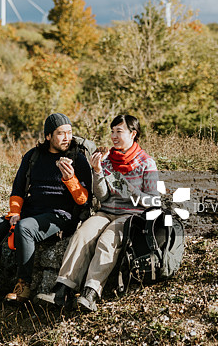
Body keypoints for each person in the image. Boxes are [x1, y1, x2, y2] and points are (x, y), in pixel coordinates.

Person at [36, 114, 158, 312]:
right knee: (83, 233)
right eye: (112, 132)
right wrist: (98, 172)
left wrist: (129, 190)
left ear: (133, 134)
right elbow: (102, 197)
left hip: (131, 215)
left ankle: (90, 293)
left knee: (108, 239)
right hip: (106, 212)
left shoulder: (146, 162)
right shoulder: (108, 159)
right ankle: (62, 290)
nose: (113, 136)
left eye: (119, 131)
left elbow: (154, 200)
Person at [0, 113, 92, 305]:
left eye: (69, 133)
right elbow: (18, 189)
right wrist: (15, 212)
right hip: (32, 210)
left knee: (25, 228)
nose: (67, 138)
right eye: (61, 133)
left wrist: (70, 179)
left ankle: (24, 285)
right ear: (48, 136)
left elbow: (83, 201)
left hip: (60, 214)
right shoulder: (33, 156)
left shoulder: (77, 159)